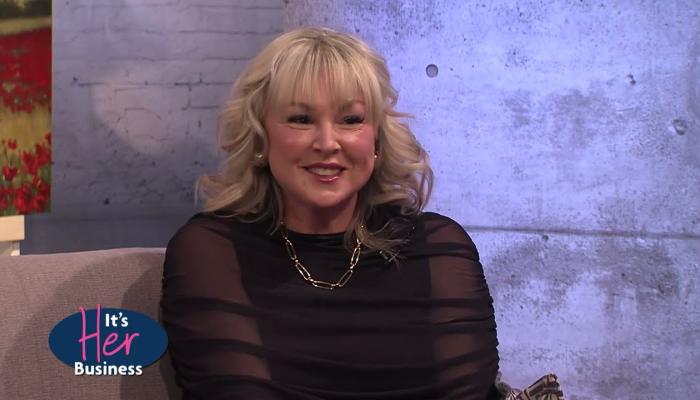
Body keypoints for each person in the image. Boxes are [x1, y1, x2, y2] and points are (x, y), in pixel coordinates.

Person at [161, 27, 500, 400]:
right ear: (261, 137)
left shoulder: (439, 248)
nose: (326, 143)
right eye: (301, 119)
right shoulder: (211, 251)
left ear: (376, 140)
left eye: (351, 120)